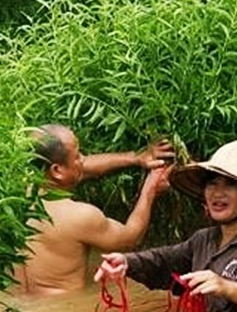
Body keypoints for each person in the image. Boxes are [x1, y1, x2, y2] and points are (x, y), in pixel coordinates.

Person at [94, 137, 237, 312]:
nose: (218, 193)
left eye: (230, 184)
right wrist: (127, 263)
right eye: (212, 183)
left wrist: (228, 287)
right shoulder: (204, 239)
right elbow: (165, 261)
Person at [14, 123, 173, 295]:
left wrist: (136, 157)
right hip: (66, 309)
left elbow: (84, 167)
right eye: (77, 156)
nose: (83, 159)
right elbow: (130, 238)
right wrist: (150, 189)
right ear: (57, 170)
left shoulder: (17, 195)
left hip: (24, 307)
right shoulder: (79, 216)